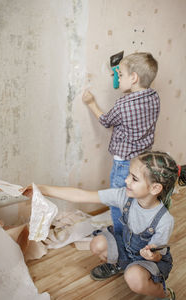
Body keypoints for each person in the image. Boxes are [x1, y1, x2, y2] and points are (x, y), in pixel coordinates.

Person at [22, 151, 186, 300]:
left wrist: (152, 256)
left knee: (134, 278)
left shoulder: (164, 220)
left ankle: (164, 294)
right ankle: (120, 265)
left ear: (155, 188)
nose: (126, 180)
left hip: (149, 260)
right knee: (97, 244)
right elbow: (81, 195)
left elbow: (158, 255)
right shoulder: (124, 196)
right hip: (127, 248)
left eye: (134, 178)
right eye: (129, 174)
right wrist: (41, 189)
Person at [82, 52, 160, 278]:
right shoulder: (153, 96)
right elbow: (132, 84)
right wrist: (120, 70)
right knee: (134, 209)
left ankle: (121, 259)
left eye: (121, 75)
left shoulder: (124, 104)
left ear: (134, 78)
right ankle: (130, 242)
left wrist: (91, 103)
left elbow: (106, 121)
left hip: (124, 167)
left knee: (119, 211)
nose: (117, 77)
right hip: (142, 165)